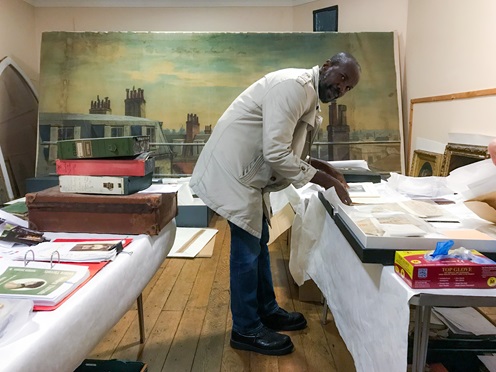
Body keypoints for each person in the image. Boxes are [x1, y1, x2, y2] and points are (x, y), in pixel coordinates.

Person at [190, 52, 361, 356]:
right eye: (343, 78)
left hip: (246, 172)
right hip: (234, 172)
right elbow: (277, 153)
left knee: (259, 242)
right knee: (246, 250)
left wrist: (328, 168)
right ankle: (245, 329)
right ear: (326, 67)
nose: (342, 89)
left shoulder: (309, 96)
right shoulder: (294, 87)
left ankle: (266, 310)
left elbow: (288, 148)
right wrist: (325, 180)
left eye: (349, 89)